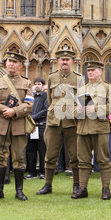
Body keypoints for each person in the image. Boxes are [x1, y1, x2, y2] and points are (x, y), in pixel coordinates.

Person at [0, 51, 34, 201]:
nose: (11, 64)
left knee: (19, 157)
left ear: (20, 65)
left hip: (18, 124)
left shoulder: (26, 83)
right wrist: (4, 111)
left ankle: (19, 191)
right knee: (0, 156)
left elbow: (30, 104)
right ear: (6, 63)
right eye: (9, 61)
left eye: (15, 62)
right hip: (0, 124)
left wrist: (14, 111)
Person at [37, 48, 84, 195]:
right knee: (50, 154)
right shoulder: (51, 77)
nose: (64, 62)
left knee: (75, 155)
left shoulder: (79, 78)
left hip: (72, 122)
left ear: (72, 62)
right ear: (58, 61)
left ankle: (76, 184)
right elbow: (51, 100)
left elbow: (82, 100)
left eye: (67, 59)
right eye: (62, 59)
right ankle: (47, 184)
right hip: (54, 121)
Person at [72, 59, 111, 200]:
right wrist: (77, 110)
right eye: (88, 71)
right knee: (83, 160)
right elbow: (72, 110)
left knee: (103, 159)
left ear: (100, 72)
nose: (90, 72)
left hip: (100, 128)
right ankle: (83, 188)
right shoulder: (81, 89)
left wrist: (96, 108)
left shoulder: (108, 88)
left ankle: (106, 189)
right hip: (83, 128)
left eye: (93, 70)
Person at [25, 77, 48, 179]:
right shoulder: (32, 97)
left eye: (39, 84)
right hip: (32, 127)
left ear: (43, 85)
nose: (37, 85)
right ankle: (32, 172)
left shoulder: (46, 96)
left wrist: (32, 117)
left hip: (42, 125)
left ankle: (43, 172)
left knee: (42, 149)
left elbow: (45, 110)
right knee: (30, 150)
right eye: (36, 84)